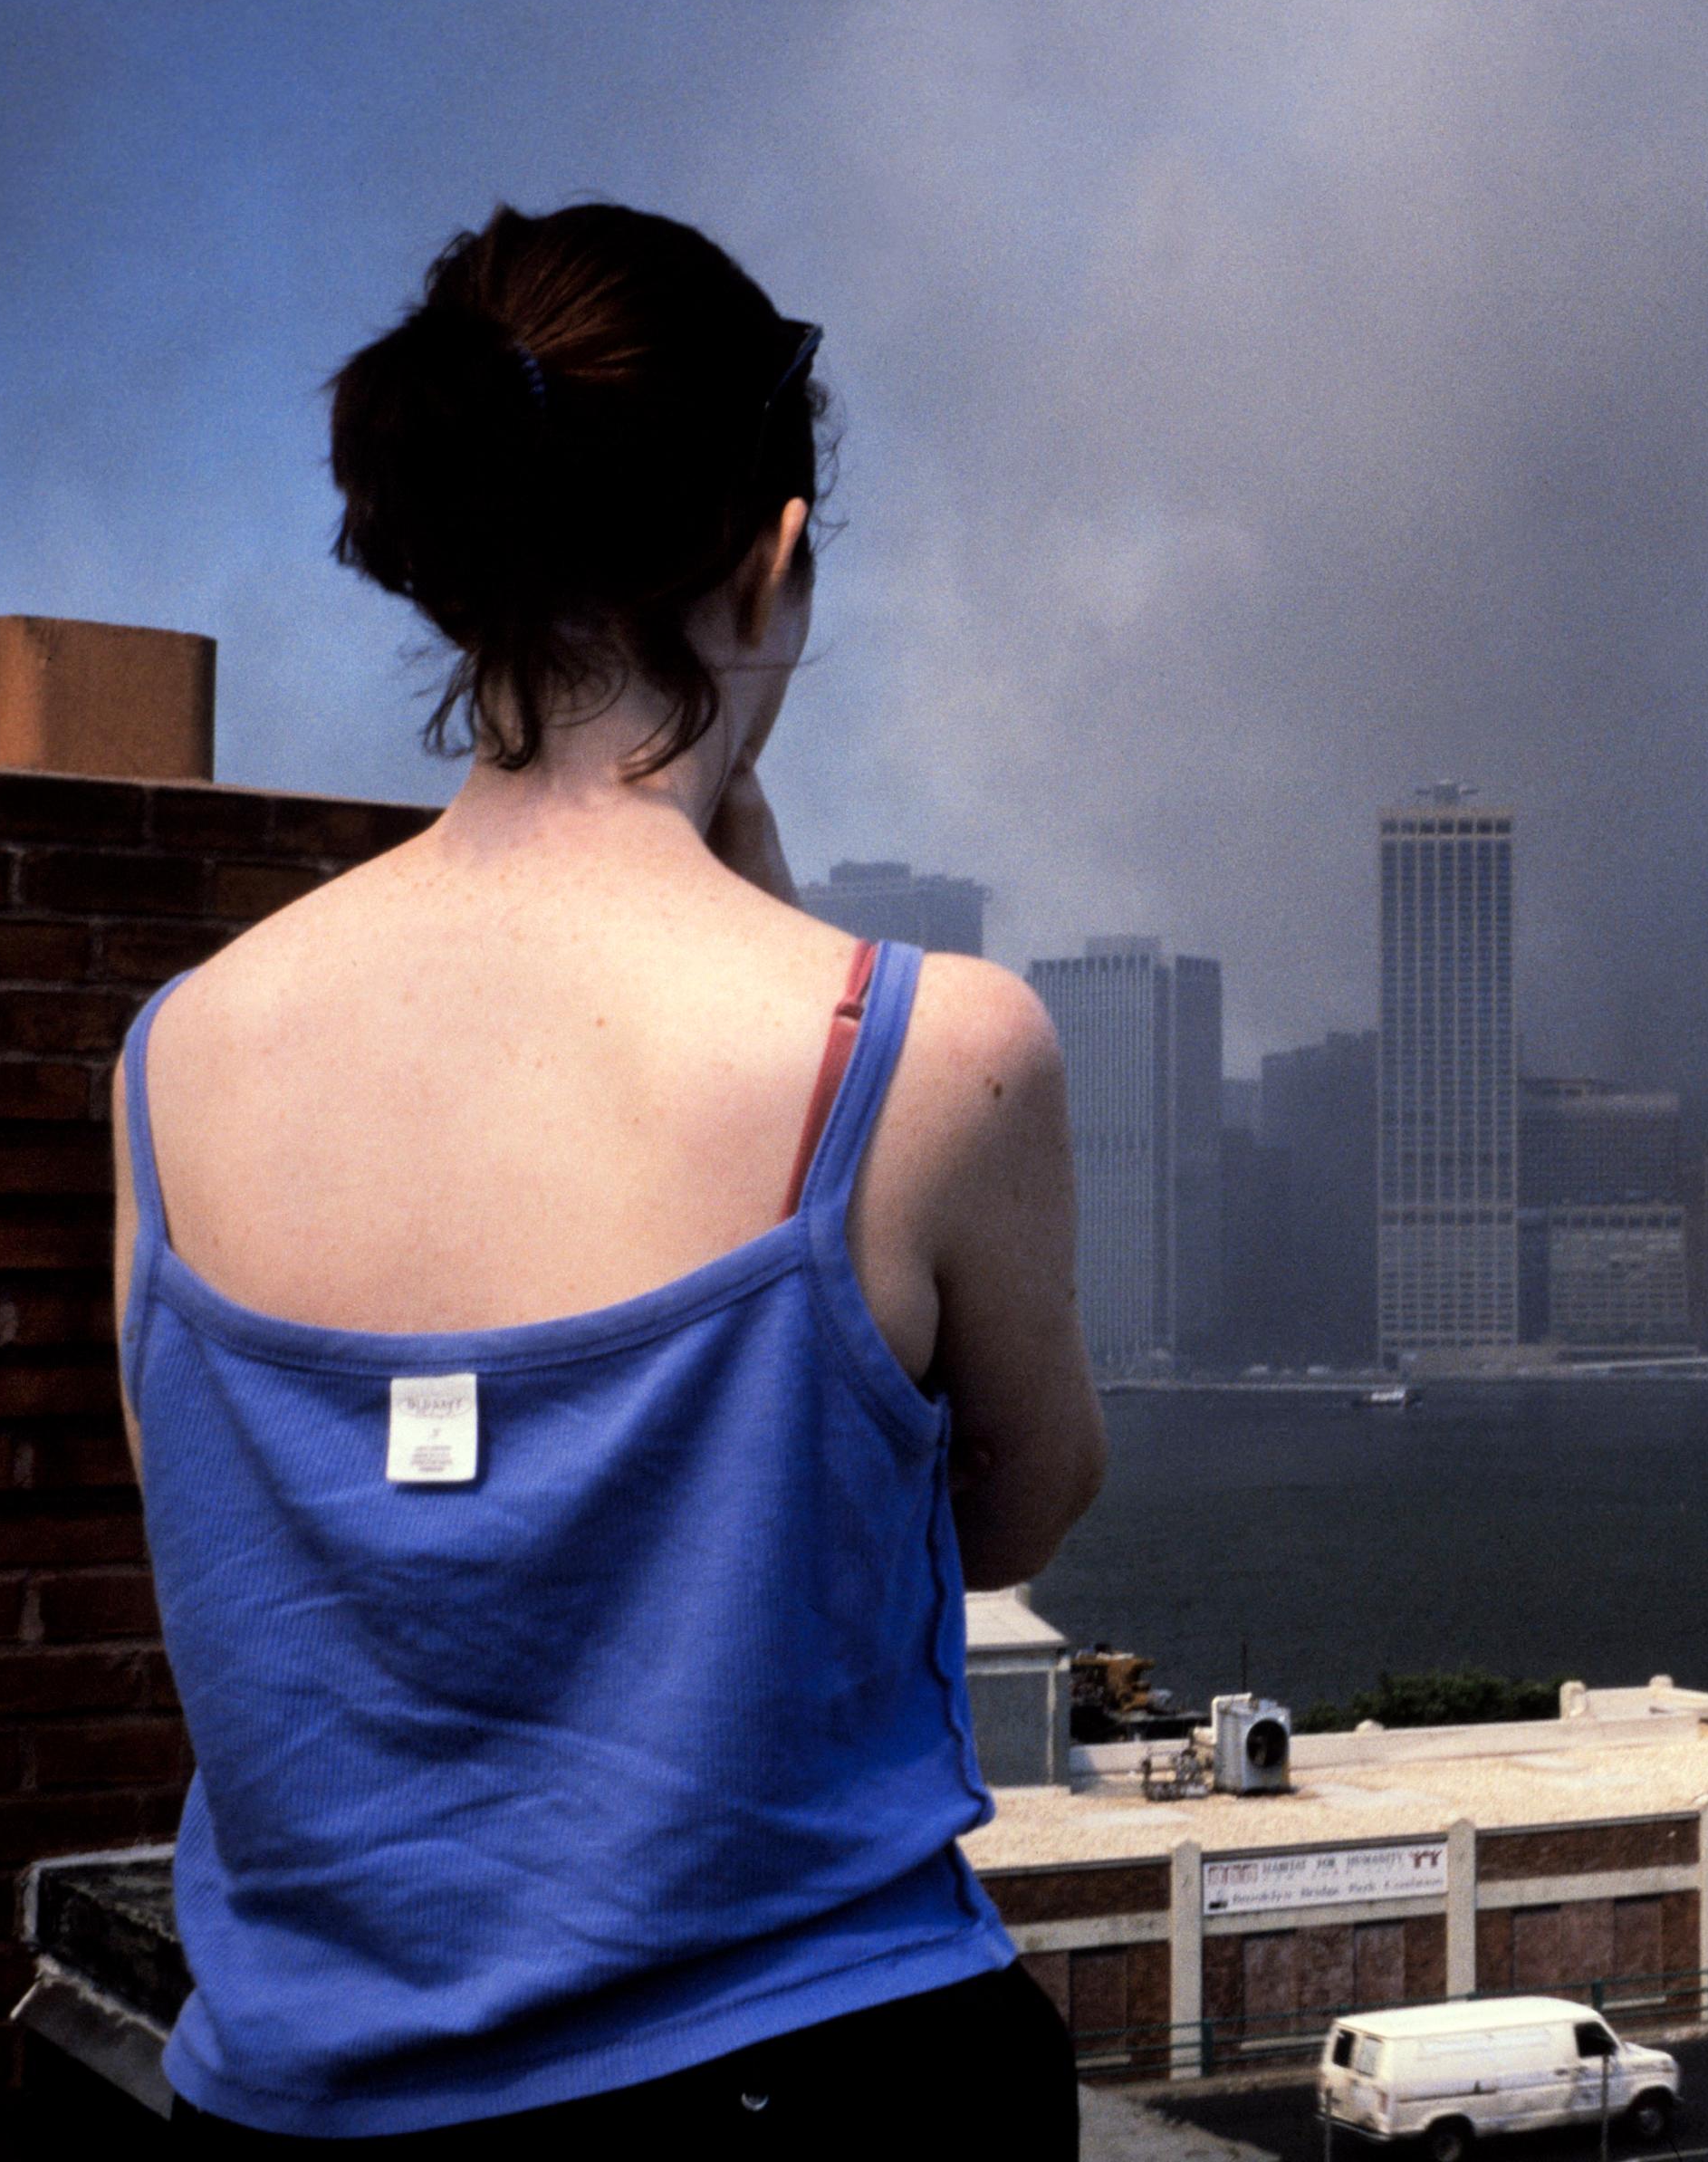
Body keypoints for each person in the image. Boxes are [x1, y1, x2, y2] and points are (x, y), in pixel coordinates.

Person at [111, 203, 1106, 2151]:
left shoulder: (176, 1060)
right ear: (780, 561)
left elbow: (283, 1571)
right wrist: (784, 942)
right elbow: (1013, 1520)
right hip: (814, 2092)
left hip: (285, 2113)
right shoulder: (927, 1052)